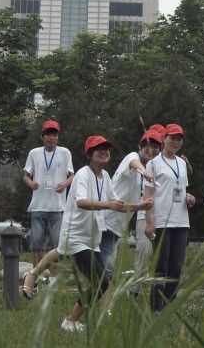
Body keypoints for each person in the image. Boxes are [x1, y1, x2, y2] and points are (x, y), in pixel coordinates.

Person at [57, 136, 149, 332]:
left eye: (107, 148)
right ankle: (69, 321)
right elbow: (80, 201)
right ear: (89, 154)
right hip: (75, 238)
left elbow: (118, 205)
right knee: (101, 281)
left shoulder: (105, 176)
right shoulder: (82, 174)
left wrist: (141, 205)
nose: (104, 151)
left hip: (92, 238)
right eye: (99, 149)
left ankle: (71, 320)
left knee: (102, 282)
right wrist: (108, 204)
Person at [143, 123, 197, 312]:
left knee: (176, 267)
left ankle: (169, 306)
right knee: (161, 267)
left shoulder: (181, 163)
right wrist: (149, 222)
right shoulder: (153, 163)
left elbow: (182, 189)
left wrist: (188, 197)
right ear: (164, 138)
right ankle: (156, 308)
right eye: (172, 138)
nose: (176, 142)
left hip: (181, 220)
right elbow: (147, 194)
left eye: (179, 139)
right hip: (161, 220)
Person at [102, 129, 161, 282]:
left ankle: (100, 299)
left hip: (118, 225)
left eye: (155, 147)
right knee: (105, 269)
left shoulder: (151, 168)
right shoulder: (133, 157)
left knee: (105, 268)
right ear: (140, 146)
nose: (151, 149)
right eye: (147, 145)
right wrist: (143, 170)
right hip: (106, 219)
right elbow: (134, 163)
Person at [22, 119, 74, 290]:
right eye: (48, 135)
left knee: (56, 248)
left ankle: (52, 283)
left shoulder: (65, 152)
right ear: (42, 137)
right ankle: (35, 280)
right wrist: (30, 184)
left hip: (58, 207)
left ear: (57, 137)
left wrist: (64, 184)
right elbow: (25, 175)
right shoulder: (34, 153)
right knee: (36, 245)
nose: (51, 138)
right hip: (37, 206)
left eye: (54, 134)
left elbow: (72, 175)